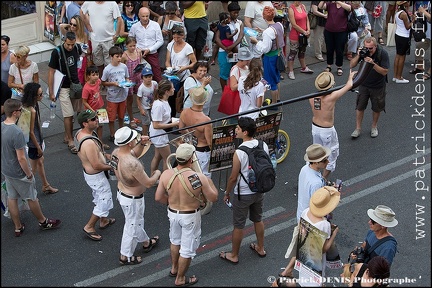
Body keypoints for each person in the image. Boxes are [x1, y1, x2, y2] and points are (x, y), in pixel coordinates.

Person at [155, 143, 218, 286]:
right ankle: (181, 278)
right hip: (189, 216)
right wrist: (210, 183)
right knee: (187, 249)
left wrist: (170, 203)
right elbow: (213, 198)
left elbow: (158, 197)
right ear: (190, 159)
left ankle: (174, 269)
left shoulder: (166, 174)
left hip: (172, 213)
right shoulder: (197, 177)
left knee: (175, 241)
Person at [1, 99, 61, 237]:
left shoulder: (1, 126)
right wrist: (29, 174)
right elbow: (22, 158)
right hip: (19, 172)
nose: (21, 112)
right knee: (31, 197)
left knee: (12, 198)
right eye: (20, 110)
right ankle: (43, 222)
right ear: (15, 112)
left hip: (6, 170)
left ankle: (18, 227)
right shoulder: (17, 132)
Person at [219, 117, 270, 264]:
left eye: (238, 128)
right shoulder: (263, 145)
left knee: (238, 225)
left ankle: (234, 255)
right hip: (259, 190)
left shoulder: (239, 152)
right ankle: (261, 247)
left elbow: (233, 178)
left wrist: (227, 193)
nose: (236, 130)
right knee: (258, 219)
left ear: (245, 132)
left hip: (243, 193)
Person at [278, 143, 330, 279]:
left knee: (302, 245)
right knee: (309, 252)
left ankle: (288, 270)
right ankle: (294, 273)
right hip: (313, 220)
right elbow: (319, 205)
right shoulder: (316, 183)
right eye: (325, 160)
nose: (327, 162)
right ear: (317, 162)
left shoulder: (305, 169)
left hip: (302, 214)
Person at [111, 126, 161, 265]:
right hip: (132, 200)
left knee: (135, 222)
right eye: (134, 139)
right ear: (129, 143)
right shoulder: (133, 164)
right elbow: (149, 183)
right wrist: (157, 173)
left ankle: (146, 242)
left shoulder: (116, 153)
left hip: (123, 194)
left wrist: (143, 143)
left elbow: (133, 153)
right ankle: (125, 256)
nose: (136, 140)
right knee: (131, 226)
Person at [74, 110, 116, 241]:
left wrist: (106, 156)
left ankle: (103, 221)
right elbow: (96, 165)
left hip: (91, 175)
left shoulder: (80, 134)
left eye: (96, 118)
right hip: (96, 176)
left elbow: (94, 155)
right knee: (104, 199)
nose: (96, 120)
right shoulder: (89, 142)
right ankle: (90, 226)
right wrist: (114, 165)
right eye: (93, 119)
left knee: (99, 196)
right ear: (85, 123)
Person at [310, 70, 355, 180]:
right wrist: (350, 77)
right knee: (332, 155)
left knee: (316, 154)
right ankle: (323, 179)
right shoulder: (331, 97)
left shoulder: (312, 98)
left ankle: (313, 175)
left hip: (315, 127)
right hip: (326, 130)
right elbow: (349, 85)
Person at [297, 186, 340, 286]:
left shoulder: (305, 212)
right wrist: (334, 233)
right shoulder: (324, 224)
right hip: (316, 261)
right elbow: (324, 249)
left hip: (304, 256)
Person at [48, 31, 82, 154]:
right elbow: (51, 72)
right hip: (63, 87)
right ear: (64, 41)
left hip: (75, 86)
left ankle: (67, 135)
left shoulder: (77, 48)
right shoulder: (56, 52)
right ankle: (71, 140)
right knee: (68, 115)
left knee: (74, 112)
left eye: (72, 44)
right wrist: (52, 92)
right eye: (68, 44)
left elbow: (81, 61)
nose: (70, 47)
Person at [21, 83, 58, 195]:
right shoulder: (32, 110)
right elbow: (31, 131)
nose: (42, 96)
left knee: (40, 162)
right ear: (34, 96)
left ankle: (45, 185)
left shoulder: (27, 106)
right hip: (34, 143)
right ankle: (26, 192)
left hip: (33, 141)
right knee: (32, 170)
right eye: (40, 94)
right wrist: (38, 147)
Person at [349, 36, 390, 139]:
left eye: (371, 48)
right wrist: (358, 55)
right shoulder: (363, 52)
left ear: (375, 47)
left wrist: (373, 64)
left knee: (377, 108)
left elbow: (385, 71)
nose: (368, 50)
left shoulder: (383, 54)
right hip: (364, 84)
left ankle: (374, 127)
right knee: (359, 106)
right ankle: (358, 128)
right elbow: (351, 65)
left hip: (377, 86)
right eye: (366, 47)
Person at [250, 5, 284, 105]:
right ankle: (278, 99)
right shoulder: (279, 25)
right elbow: (274, 34)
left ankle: (274, 103)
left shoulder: (268, 32)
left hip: (270, 58)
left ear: (264, 17)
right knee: (277, 78)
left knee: (271, 80)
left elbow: (265, 48)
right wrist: (263, 31)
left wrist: (256, 41)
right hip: (278, 54)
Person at [80, 1, 122, 77]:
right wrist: (87, 25)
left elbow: (119, 19)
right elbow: (81, 12)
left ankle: (108, 82)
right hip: (95, 39)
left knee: (109, 64)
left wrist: (117, 35)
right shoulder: (88, 3)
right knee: (97, 63)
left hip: (109, 39)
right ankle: (100, 82)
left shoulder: (112, 3)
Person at [179, 87, 213, 178]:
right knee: (204, 178)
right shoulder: (206, 120)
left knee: (191, 177)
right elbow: (210, 142)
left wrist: (191, 135)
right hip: (202, 151)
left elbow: (181, 129)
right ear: (205, 101)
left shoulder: (184, 112)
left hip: (191, 148)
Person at [165, 25, 197, 117]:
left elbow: (194, 62)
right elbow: (167, 61)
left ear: (183, 36)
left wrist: (184, 68)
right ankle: (172, 118)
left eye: (178, 37)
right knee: (171, 99)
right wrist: (169, 69)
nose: (176, 39)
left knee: (182, 99)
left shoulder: (188, 47)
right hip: (173, 76)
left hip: (184, 77)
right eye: (174, 37)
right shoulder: (170, 45)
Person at [149, 79, 179, 174]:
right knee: (167, 159)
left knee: (158, 156)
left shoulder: (163, 101)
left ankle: (153, 177)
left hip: (160, 133)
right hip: (159, 135)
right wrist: (174, 124)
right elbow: (156, 125)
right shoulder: (159, 105)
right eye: (172, 88)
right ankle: (165, 182)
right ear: (167, 91)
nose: (174, 89)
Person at [101, 45, 130, 142]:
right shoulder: (107, 69)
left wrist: (127, 83)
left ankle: (121, 132)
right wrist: (113, 83)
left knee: (122, 116)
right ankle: (112, 134)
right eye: (117, 56)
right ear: (111, 57)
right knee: (111, 117)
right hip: (112, 97)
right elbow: (103, 82)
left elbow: (127, 77)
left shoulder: (124, 67)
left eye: (120, 56)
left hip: (122, 96)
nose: (119, 58)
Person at [214, 1, 245, 90]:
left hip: (236, 51)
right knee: (224, 74)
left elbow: (240, 36)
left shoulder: (240, 23)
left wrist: (231, 47)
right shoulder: (223, 23)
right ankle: (225, 92)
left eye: (237, 12)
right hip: (224, 52)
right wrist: (226, 48)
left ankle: (233, 90)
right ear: (229, 12)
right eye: (234, 12)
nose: (236, 14)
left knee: (235, 73)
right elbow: (217, 38)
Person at [129, 7, 164, 82]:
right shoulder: (134, 27)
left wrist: (150, 49)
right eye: (143, 16)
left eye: (147, 16)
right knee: (137, 75)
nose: (145, 18)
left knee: (157, 74)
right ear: (139, 15)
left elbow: (160, 41)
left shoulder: (155, 25)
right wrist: (137, 49)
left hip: (152, 53)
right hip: (138, 54)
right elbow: (130, 41)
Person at [318, 1, 352, 76]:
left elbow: (349, 8)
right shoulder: (330, 4)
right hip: (329, 31)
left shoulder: (346, 4)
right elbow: (320, 7)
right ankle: (329, 65)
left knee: (339, 49)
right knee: (329, 48)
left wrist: (339, 2)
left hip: (341, 31)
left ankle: (339, 66)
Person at [81, 65, 110, 150]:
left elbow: (100, 87)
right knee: (91, 127)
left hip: (100, 107)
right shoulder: (86, 88)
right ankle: (91, 144)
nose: (96, 76)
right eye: (93, 75)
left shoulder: (98, 82)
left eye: (97, 74)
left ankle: (100, 142)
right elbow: (84, 101)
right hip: (91, 111)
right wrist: (92, 110)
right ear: (88, 76)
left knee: (101, 125)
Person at [286, 1, 314, 80]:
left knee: (302, 51)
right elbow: (294, 24)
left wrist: (308, 29)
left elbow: (307, 19)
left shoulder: (303, 6)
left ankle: (304, 67)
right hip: (295, 35)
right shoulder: (291, 9)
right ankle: (290, 71)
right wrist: (304, 31)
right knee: (293, 53)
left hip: (304, 34)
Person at [59, 14, 89, 86]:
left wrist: (86, 49)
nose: (72, 26)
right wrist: (68, 25)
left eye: (74, 25)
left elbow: (87, 49)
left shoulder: (83, 35)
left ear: (79, 26)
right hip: (71, 58)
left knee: (80, 76)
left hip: (81, 58)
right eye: (71, 24)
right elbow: (61, 26)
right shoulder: (68, 34)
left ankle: (78, 89)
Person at [121, 36, 142, 129]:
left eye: (134, 45)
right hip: (129, 79)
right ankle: (131, 119)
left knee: (141, 96)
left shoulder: (138, 52)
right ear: (126, 46)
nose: (133, 48)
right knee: (129, 100)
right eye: (130, 46)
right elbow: (122, 68)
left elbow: (140, 62)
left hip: (138, 77)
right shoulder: (124, 56)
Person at [157, 1, 184, 74]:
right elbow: (155, 31)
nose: (169, 15)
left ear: (175, 11)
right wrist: (161, 31)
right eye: (167, 13)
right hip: (162, 42)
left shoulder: (178, 20)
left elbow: (182, 34)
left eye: (172, 13)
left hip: (173, 42)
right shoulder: (161, 18)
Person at [392, 1, 414, 84]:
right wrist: (413, 21)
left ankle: (395, 76)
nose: (409, 3)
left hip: (398, 35)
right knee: (402, 57)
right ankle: (399, 77)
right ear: (404, 4)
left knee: (398, 56)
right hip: (403, 37)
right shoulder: (404, 14)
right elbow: (408, 27)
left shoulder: (398, 12)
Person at [137, 67, 158, 136]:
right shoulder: (141, 88)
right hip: (144, 107)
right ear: (142, 78)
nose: (149, 79)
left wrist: (154, 101)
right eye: (146, 77)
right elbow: (138, 99)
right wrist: (141, 109)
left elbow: (156, 92)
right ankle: (144, 135)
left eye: (150, 76)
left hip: (152, 105)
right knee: (146, 122)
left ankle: (152, 134)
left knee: (153, 120)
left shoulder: (154, 83)